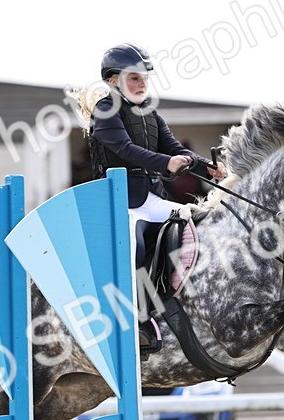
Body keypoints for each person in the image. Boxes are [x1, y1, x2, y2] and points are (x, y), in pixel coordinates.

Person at [86, 44, 226, 352]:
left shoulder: (150, 113)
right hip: (117, 200)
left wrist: (207, 166)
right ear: (112, 80)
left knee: (199, 224)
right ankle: (135, 319)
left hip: (152, 196)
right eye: (134, 78)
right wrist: (165, 164)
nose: (142, 84)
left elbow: (176, 148)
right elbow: (125, 149)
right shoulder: (105, 111)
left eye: (144, 78)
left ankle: (182, 297)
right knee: (133, 244)